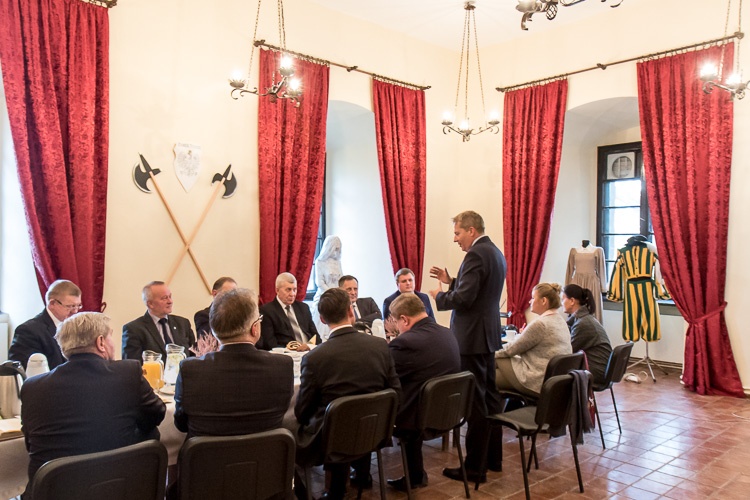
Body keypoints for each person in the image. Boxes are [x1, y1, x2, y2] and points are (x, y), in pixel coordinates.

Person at [20, 312, 165, 497]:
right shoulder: (128, 372)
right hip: (116, 486)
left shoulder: (32, 386)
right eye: (111, 336)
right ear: (101, 342)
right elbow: (157, 414)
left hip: (53, 490)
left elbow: (30, 443)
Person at [294, 288, 400, 500]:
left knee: (320, 421)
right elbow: (395, 392)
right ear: (351, 311)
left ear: (322, 319)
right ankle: (361, 475)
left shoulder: (315, 358)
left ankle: (333, 491)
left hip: (333, 438)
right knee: (357, 411)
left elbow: (303, 410)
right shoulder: (380, 346)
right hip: (375, 429)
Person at [428, 210, 506, 482]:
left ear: (471, 230)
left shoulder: (475, 254)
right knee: (491, 399)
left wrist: (440, 296)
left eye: (458, 233)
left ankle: (474, 468)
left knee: (475, 402)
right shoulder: (494, 252)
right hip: (487, 335)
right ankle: (493, 459)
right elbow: (479, 290)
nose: (455, 239)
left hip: (472, 338)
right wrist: (452, 281)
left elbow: (464, 299)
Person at [174, 288, 293, 437]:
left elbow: (181, 424)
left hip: (208, 451)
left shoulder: (190, 370)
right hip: (266, 450)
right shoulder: (282, 366)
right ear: (255, 329)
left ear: (214, 330)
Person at [386, 293, 460, 492]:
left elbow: (385, 374)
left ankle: (360, 475)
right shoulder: (447, 333)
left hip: (417, 416)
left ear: (404, 319)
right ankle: (416, 474)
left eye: (396, 322)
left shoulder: (405, 342)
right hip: (449, 410)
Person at [495, 283, 573, 397]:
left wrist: (488, 352)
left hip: (535, 381)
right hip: (551, 381)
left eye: (533, 298)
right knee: (491, 366)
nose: (530, 301)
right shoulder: (560, 321)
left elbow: (511, 349)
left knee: (487, 368)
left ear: (543, 301)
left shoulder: (541, 324)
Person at [9, 279, 82, 370]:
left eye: (78, 305)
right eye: (70, 306)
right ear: (52, 303)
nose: (75, 311)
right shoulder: (29, 331)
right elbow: (23, 370)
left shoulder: (77, 326)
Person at [122, 281, 195, 362]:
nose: (170, 301)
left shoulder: (183, 324)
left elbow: (194, 355)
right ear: (150, 304)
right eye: (164, 298)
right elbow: (132, 365)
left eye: (170, 296)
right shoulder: (134, 329)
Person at [562, 284, 612, 386]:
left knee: (556, 369)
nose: (561, 303)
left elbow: (568, 351)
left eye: (563, 299)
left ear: (572, 301)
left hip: (596, 372)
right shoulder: (584, 319)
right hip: (600, 369)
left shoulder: (583, 323)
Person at [259, 273, 320, 351]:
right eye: (288, 290)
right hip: (286, 354)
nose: (292, 294)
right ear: (277, 290)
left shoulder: (303, 308)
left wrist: (309, 346)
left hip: (309, 352)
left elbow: (316, 337)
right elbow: (269, 344)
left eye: (294, 289)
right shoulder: (267, 311)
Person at [311, 236, 343, 339]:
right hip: (324, 294)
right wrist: (331, 294)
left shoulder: (338, 262)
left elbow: (341, 279)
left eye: (338, 249)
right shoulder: (320, 262)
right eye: (335, 248)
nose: (336, 252)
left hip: (337, 294)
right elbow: (319, 282)